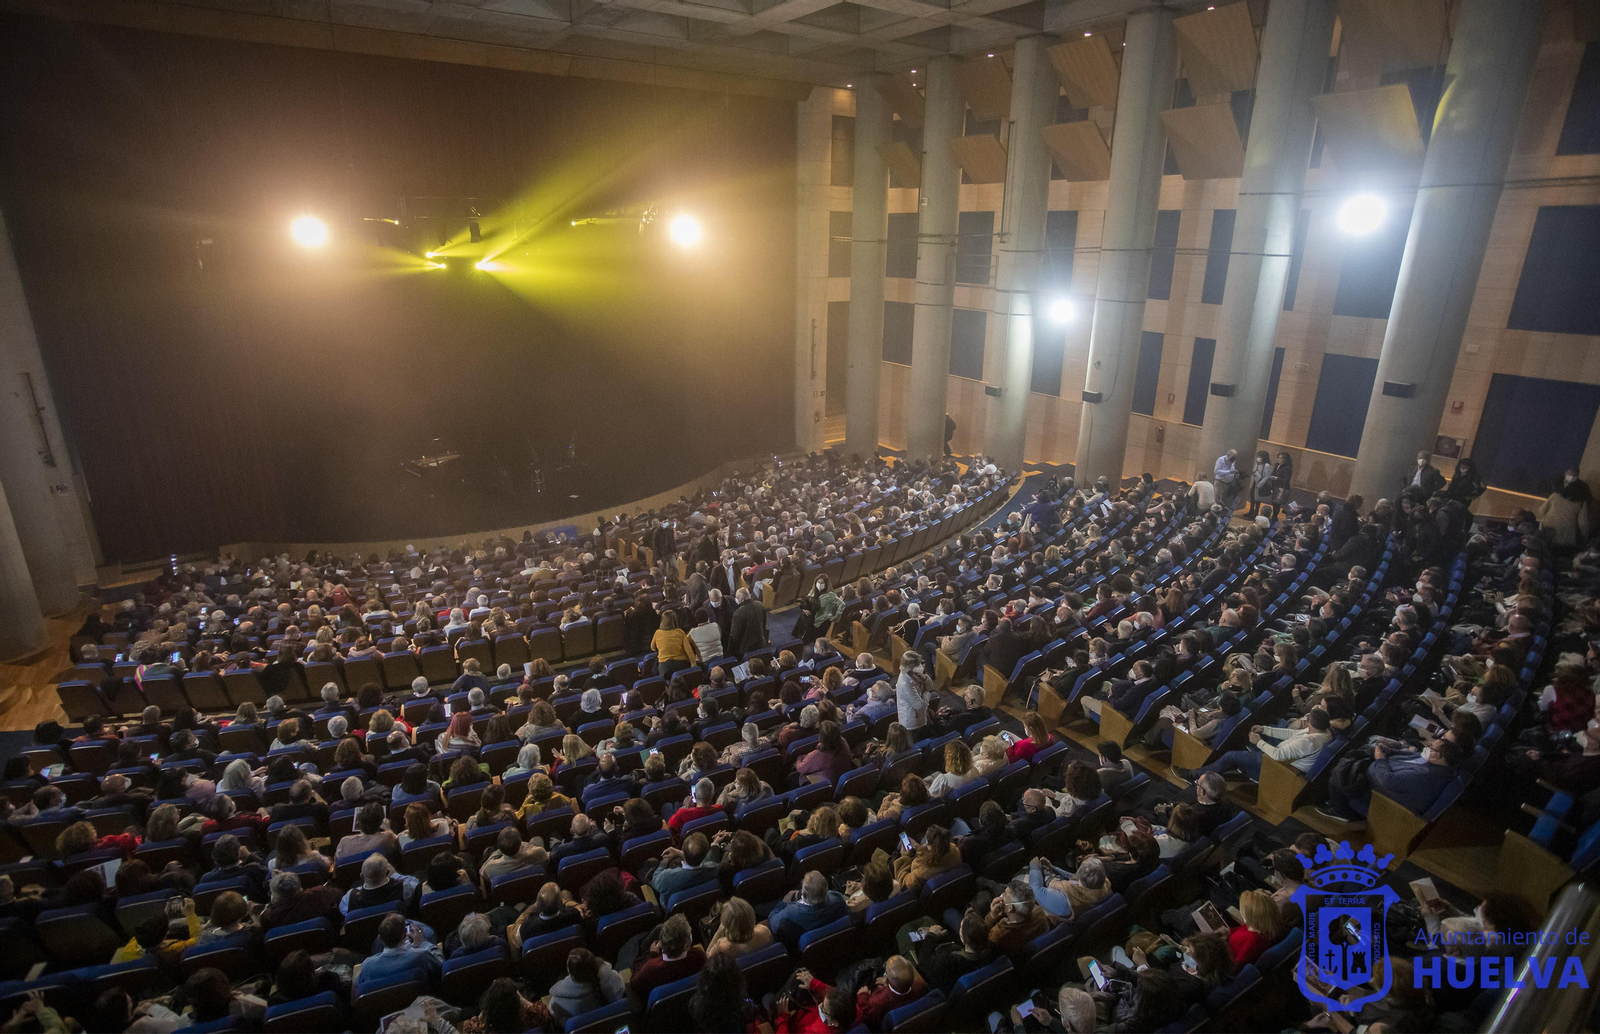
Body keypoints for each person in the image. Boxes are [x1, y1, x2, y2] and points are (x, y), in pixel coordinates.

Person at [768, 870, 849, 948]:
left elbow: (771, 920)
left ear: (803, 894)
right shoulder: (838, 899)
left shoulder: (788, 915)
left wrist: (783, 903)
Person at [548, 948, 627, 1027]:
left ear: (569, 970)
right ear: (595, 962)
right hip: (616, 1026)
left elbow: (557, 1018)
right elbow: (622, 990)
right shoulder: (613, 977)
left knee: (561, 976)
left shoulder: (557, 1001)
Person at [1539, 468, 1592, 547]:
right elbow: (1583, 523)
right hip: (1565, 537)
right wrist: (1584, 537)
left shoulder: (1555, 496)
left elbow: (1542, 511)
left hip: (1546, 530)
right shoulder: (1581, 502)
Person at [1247, 451, 1274, 518]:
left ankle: (1255, 512)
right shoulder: (1258, 464)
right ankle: (1251, 510)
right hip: (1255, 482)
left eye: (1260, 457)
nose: (1258, 458)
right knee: (1252, 496)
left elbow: (1267, 477)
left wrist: (1260, 485)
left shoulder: (1266, 465)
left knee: (1257, 499)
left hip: (1260, 484)